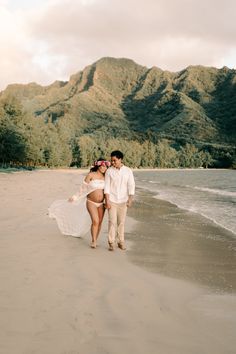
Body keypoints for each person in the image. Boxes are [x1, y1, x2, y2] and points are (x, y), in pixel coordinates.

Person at [49, 158, 110, 248]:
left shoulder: (107, 177)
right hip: (91, 202)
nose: (104, 168)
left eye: (105, 167)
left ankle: (95, 239)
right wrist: (75, 197)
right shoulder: (91, 175)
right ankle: (93, 241)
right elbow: (82, 189)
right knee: (95, 221)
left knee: (99, 222)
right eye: (102, 166)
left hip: (101, 204)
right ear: (98, 165)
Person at [104, 150, 135, 251]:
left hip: (123, 201)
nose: (112, 162)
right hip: (112, 200)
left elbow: (131, 185)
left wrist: (130, 199)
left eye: (114, 160)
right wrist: (107, 201)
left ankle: (121, 242)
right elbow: (107, 187)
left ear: (120, 159)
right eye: (112, 160)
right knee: (112, 222)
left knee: (121, 222)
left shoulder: (128, 171)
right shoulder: (109, 171)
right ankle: (111, 242)